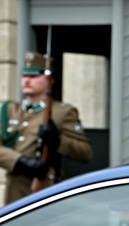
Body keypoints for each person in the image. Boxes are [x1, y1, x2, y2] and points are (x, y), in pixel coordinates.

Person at [0, 51, 91, 205]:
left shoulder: (62, 112)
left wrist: (58, 141)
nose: (27, 81)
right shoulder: (10, 110)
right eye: (25, 76)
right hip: (15, 189)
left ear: (49, 81)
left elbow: (84, 152)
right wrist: (20, 161)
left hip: (46, 186)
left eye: (34, 76)